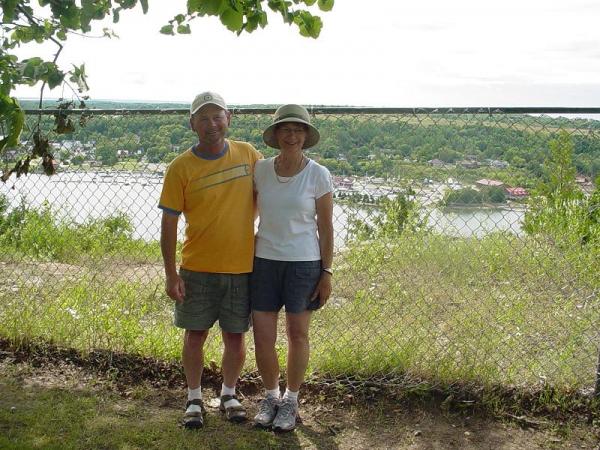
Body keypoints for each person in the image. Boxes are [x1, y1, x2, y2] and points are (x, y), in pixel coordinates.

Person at [158, 92, 261, 429]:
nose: (212, 124)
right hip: (197, 268)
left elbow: (273, 194)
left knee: (235, 337)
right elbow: (169, 224)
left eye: (217, 116)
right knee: (195, 335)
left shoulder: (249, 155)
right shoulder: (180, 167)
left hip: (241, 268)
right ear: (193, 125)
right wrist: (172, 274)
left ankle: (229, 394)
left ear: (228, 118)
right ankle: (193, 397)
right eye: (203, 118)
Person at [251, 104, 334, 432]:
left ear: (306, 136)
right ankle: (271, 396)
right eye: (286, 129)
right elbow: (249, 214)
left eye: (298, 130)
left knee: (298, 334)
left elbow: (326, 228)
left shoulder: (318, 174)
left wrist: (326, 272)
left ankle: (291, 399)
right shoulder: (260, 170)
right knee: (263, 337)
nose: (292, 135)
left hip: (303, 265)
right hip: (264, 263)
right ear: (276, 134)